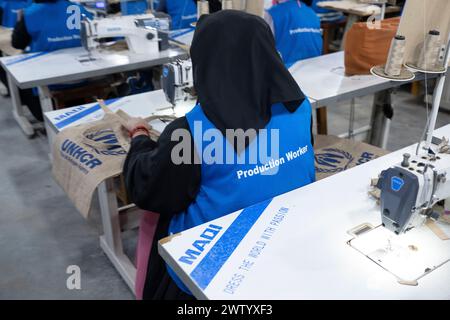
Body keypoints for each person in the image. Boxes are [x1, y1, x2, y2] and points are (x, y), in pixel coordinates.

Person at [122, 10, 316, 300]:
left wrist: (139, 138)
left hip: (213, 267)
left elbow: (148, 188)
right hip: (289, 237)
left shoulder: (192, 132)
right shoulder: (300, 108)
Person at [9, 0, 92, 121]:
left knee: (17, 79)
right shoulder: (80, 9)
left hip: (50, 81)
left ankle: (40, 115)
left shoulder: (29, 14)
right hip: (85, 75)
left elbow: (17, 44)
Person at [265, 0, 323, 67]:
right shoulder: (312, 13)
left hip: (286, 71)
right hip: (314, 68)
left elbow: (264, 49)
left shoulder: (272, 14)